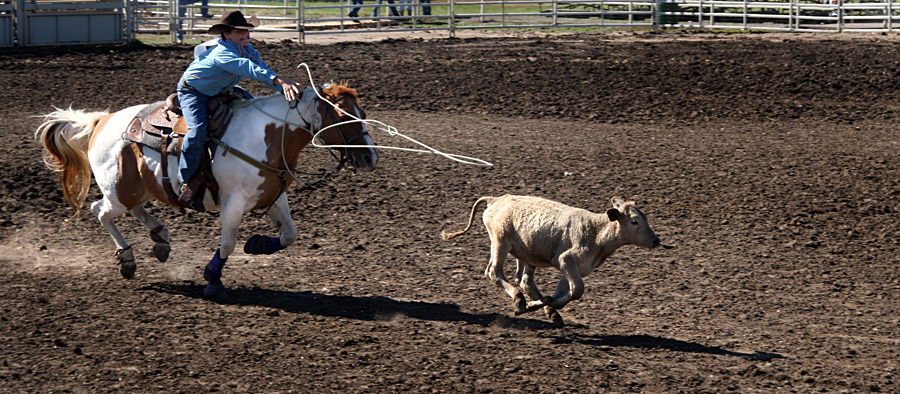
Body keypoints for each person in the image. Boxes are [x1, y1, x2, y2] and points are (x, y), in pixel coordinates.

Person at [176, 10, 302, 209]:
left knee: (255, 113)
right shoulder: (222, 53)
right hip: (194, 92)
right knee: (197, 131)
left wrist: (285, 87)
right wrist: (280, 81)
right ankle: (186, 179)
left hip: (222, 88)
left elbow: (261, 66)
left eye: (247, 31)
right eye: (240, 31)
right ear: (227, 34)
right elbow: (251, 69)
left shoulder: (247, 48)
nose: (246, 35)